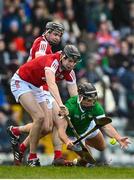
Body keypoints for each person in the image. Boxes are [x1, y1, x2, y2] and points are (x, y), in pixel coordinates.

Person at [7, 21, 71, 166]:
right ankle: (33, 157)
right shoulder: (42, 44)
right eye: (55, 34)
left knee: (48, 126)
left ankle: (19, 137)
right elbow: (40, 64)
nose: (57, 38)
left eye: (59, 35)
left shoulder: (48, 46)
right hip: (31, 83)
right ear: (47, 32)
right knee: (42, 119)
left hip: (39, 85)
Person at [56, 82, 131, 166]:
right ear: (81, 98)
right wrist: (67, 141)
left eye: (94, 100)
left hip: (88, 127)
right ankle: (72, 163)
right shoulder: (70, 106)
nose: (92, 103)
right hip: (73, 135)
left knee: (102, 147)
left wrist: (118, 138)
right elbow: (61, 130)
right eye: (89, 100)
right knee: (88, 160)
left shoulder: (96, 107)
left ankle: (85, 141)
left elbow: (106, 126)